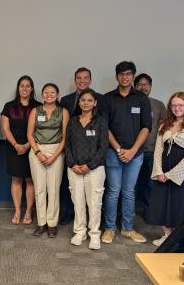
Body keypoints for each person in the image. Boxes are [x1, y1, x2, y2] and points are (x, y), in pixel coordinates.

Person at [99, 61, 151, 244]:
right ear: (116, 76)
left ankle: (128, 228)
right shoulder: (107, 99)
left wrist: (133, 150)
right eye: (121, 74)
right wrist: (120, 149)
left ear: (133, 75)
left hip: (135, 154)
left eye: (128, 74)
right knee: (113, 191)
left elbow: (146, 127)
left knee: (129, 191)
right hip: (114, 153)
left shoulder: (141, 99)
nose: (125, 77)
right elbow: (104, 127)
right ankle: (110, 228)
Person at [147, 92, 184, 246]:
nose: (176, 108)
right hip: (163, 170)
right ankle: (167, 236)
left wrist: (171, 175)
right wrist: (159, 171)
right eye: (173, 105)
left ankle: (179, 239)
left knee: (181, 203)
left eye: (180, 105)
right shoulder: (164, 124)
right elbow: (158, 149)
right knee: (162, 203)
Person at [65, 88, 108, 249]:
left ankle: (94, 234)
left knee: (94, 202)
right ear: (79, 102)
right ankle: (80, 231)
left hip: (95, 169)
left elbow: (103, 147)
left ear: (95, 103)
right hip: (74, 168)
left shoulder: (101, 122)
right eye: (83, 100)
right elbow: (67, 145)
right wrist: (72, 164)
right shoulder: (73, 121)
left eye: (89, 100)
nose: (86, 103)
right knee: (78, 201)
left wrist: (89, 165)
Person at [59, 67, 101, 225]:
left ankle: (93, 221)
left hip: (92, 153)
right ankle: (69, 213)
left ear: (90, 80)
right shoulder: (66, 100)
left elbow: (102, 125)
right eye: (79, 78)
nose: (82, 81)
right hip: (71, 150)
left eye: (85, 78)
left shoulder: (100, 99)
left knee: (93, 192)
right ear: (75, 80)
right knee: (69, 186)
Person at [27, 83, 69, 238]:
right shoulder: (35, 111)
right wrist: (38, 152)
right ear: (42, 94)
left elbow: (65, 137)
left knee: (53, 190)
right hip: (37, 151)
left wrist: (54, 156)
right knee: (39, 189)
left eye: (52, 92)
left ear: (58, 94)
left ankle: (52, 224)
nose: (49, 94)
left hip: (56, 152)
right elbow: (30, 134)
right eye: (46, 92)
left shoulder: (63, 112)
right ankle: (41, 223)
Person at [1, 75, 41, 225]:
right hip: (13, 148)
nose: (25, 88)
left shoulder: (38, 106)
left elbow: (40, 130)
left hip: (32, 148)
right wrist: (17, 145)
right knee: (16, 179)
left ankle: (29, 211)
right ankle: (18, 210)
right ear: (18, 88)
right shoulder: (9, 106)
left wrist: (28, 145)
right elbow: (5, 128)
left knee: (31, 180)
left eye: (28, 86)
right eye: (22, 85)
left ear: (31, 88)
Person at [134, 73, 166, 218]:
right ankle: (130, 212)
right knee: (131, 185)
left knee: (149, 184)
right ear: (135, 86)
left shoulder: (158, 104)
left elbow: (164, 128)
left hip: (151, 151)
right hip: (132, 151)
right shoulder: (130, 101)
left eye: (146, 84)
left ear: (151, 87)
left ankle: (148, 212)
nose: (143, 87)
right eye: (140, 84)